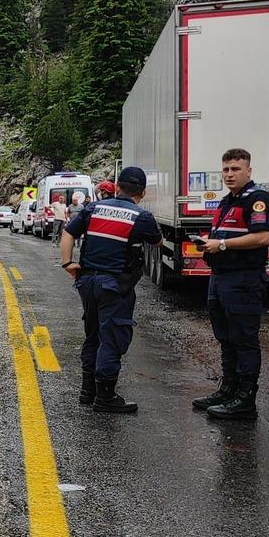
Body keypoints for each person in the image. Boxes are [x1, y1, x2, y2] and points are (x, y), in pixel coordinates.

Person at [60, 167, 162, 413]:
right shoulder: (141, 216)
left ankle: (88, 391)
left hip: (87, 282)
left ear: (117, 187)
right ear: (143, 192)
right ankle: (105, 396)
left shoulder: (92, 209)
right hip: (115, 285)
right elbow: (157, 241)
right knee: (112, 339)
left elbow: (68, 233)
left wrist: (67, 262)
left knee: (93, 334)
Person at [193, 148, 269, 420]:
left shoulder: (257, 199)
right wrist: (209, 243)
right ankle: (228, 389)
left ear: (249, 171)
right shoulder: (227, 201)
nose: (229, 174)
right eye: (226, 169)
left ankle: (245, 399)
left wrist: (221, 244)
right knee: (225, 338)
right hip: (220, 277)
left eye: (236, 169)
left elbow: (264, 237)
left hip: (243, 278)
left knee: (244, 339)